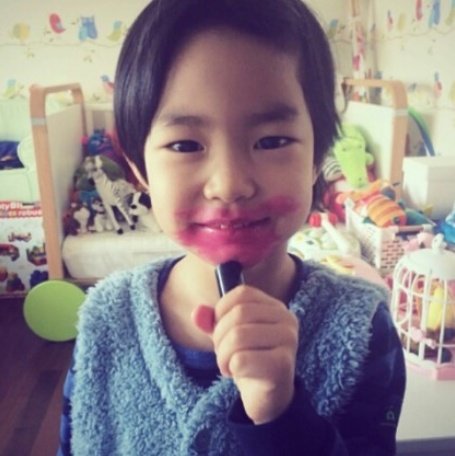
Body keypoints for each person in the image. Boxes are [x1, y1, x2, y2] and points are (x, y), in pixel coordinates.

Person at [58, 0, 406, 454]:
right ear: (139, 168)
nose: (229, 184)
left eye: (272, 141)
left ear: (317, 156)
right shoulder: (105, 318)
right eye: (185, 145)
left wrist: (281, 415)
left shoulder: (362, 328)